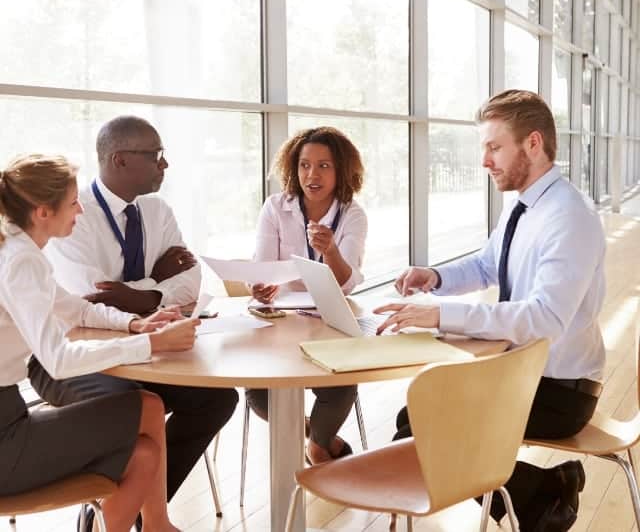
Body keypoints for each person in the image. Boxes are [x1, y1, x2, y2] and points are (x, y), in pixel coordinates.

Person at [375, 90, 605, 532]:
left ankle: (542, 496)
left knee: (422, 423)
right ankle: (542, 493)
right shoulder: (524, 206)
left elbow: (545, 319)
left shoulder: (569, 218)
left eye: (494, 147)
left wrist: (442, 316)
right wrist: (435, 278)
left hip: (562, 390)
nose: (485, 161)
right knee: (416, 415)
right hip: (524, 371)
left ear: (533, 144)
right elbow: (486, 264)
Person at [28, 116, 239, 510]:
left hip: (141, 340)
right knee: (139, 405)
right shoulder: (74, 214)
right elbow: (88, 299)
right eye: (156, 154)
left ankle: (141, 517)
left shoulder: (158, 210)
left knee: (218, 399)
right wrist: (157, 285)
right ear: (121, 160)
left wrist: (141, 297)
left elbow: (191, 281)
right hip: (74, 358)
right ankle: (117, 514)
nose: (165, 164)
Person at [0, 153, 200, 532]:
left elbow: (76, 309)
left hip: (10, 416)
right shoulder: (19, 263)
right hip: (4, 436)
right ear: (43, 211)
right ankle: (158, 525)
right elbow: (57, 360)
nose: (80, 210)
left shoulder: (20, 252)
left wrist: (136, 325)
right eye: (73, 203)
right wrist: (152, 345)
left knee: (144, 451)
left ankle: (157, 524)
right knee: (147, 408)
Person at [248, 126, 368, 464]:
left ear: (341, 170)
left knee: (341, 383)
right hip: (281, 322)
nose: (311, 174)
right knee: (258, 394)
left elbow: (347, 283)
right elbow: (263, 266)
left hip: (329, 318)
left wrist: (330, 250)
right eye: (304, 165)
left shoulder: (352, 215)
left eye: (323, 166)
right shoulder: (275, 207)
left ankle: (317, 446)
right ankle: (319, 438)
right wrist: (260, 284)